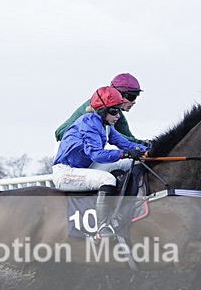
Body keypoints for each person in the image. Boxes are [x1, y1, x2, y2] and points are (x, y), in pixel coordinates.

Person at [52, 86, 147, 238]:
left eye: (119, 110)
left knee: (131, 163)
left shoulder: (106, 125)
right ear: (102, 110)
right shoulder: (88, 122)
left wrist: (147, 151)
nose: (118, 116)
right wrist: (125, 153)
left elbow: (125, 144)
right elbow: (96, 154)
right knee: (107, 179)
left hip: (86, 167)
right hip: (66, 172)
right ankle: (102, 227)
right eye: (114, 111)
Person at [54, 73, 146, 145]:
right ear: (118, 94)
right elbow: (59, 132)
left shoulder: (116, 115)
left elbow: (129, 140)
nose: (134, 102)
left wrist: (148, 144)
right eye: (131, 97)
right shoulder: (97, 108)